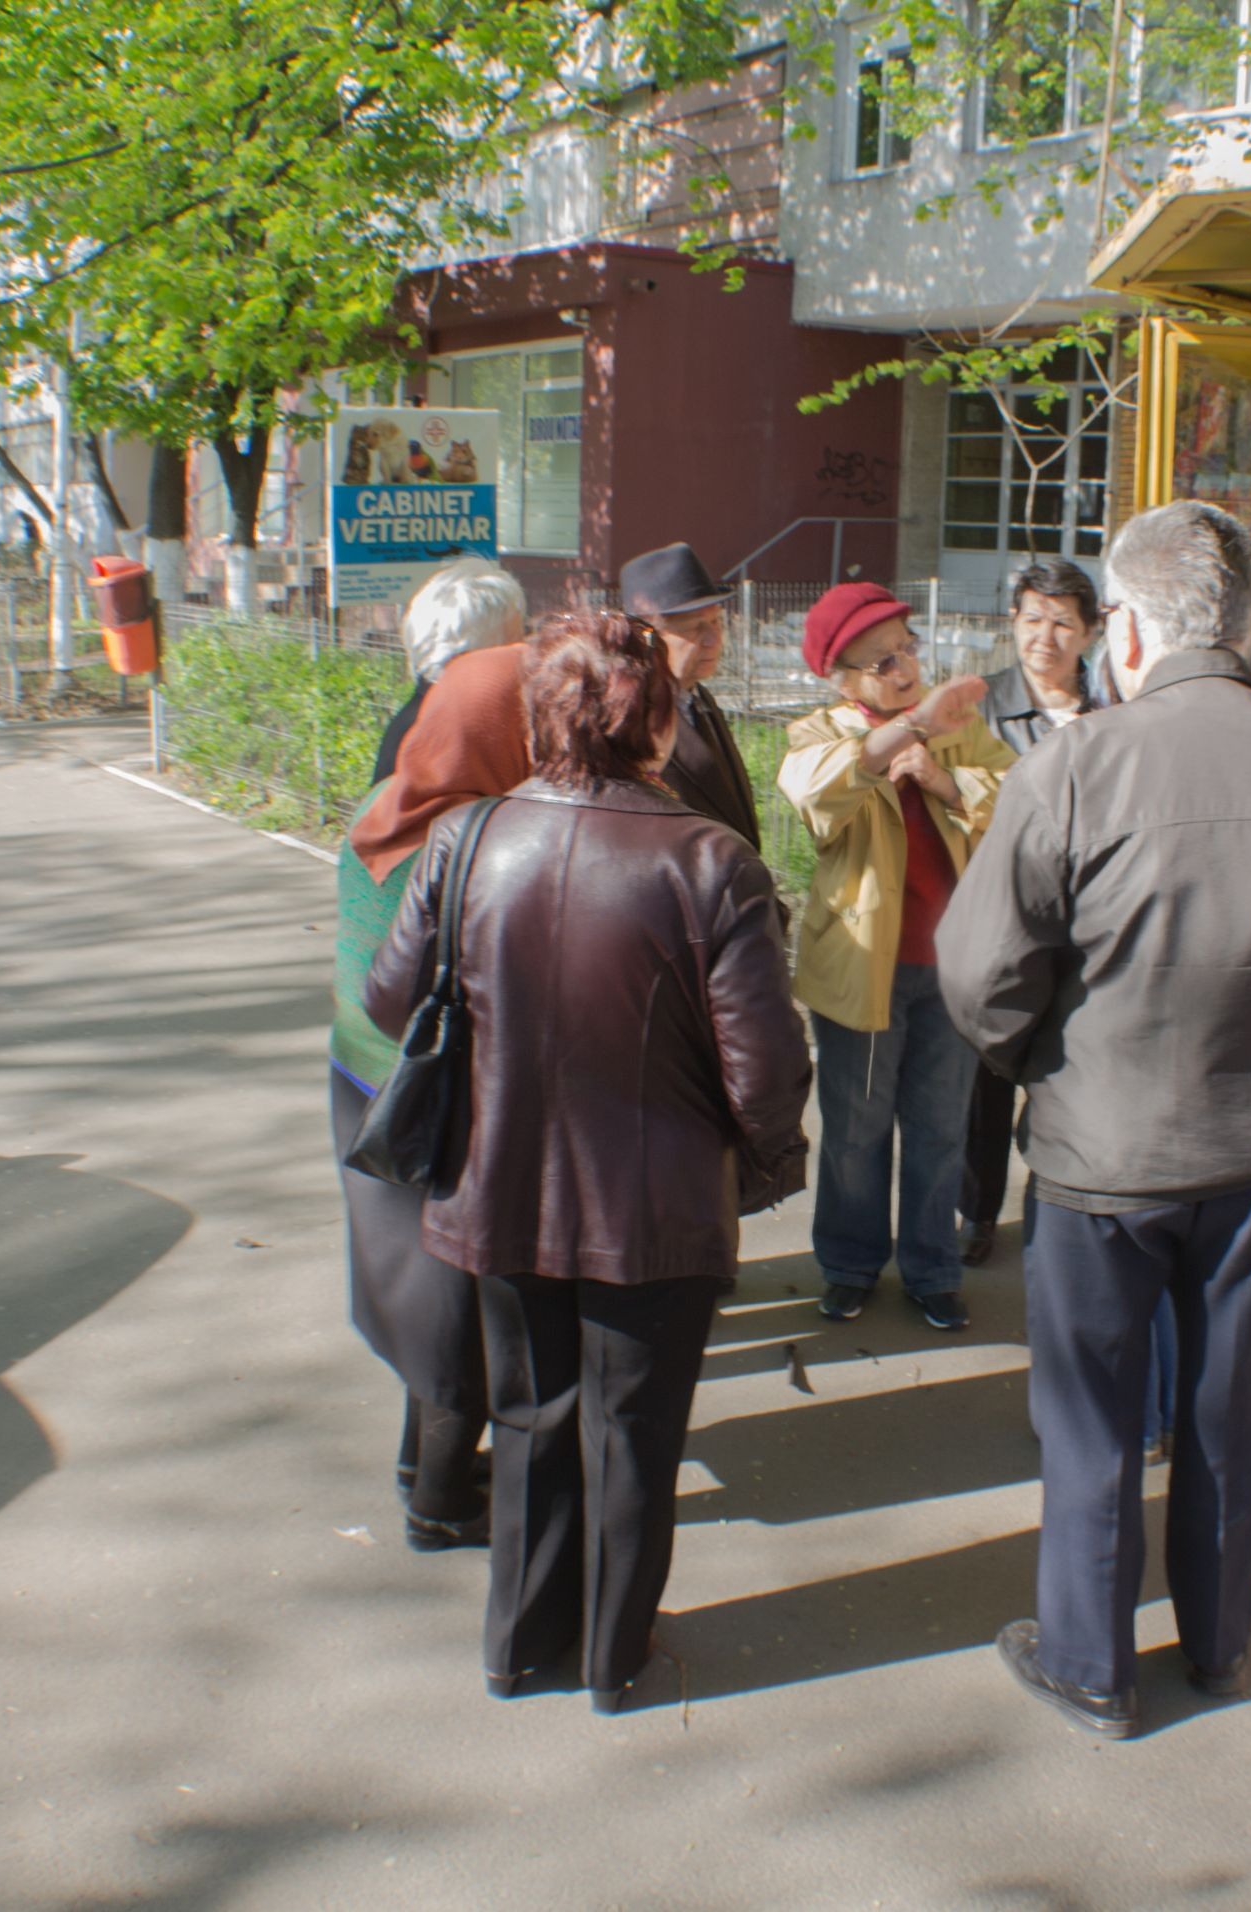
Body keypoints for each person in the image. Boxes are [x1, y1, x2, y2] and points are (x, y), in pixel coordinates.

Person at [937, 502, 1251, 1738]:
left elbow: (981, 975)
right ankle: (1218, 1642)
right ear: (1246, 626)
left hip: (1102, 1152)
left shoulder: (1075, 762)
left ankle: (1091, 1663)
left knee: (1091, 1416)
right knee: (1230, 1406)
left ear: (1131, 629)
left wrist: (1048, 1062)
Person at [364, 611, 811, 1705]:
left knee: (528, 1419)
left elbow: (388, 998)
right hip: (655, 1205)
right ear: (655, 721)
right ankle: (615, 1659)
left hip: (500, 1188)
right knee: (635, 1434)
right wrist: (763, 1167)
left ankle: (516, 1645)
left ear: (544, 720)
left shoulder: (466, 842)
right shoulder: (713, 862)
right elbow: (766, 1072)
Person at [331, 635, 533, 1552]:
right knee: (461, 1306)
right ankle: (440, 1505)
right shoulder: (479, 838)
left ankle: (422, 1466)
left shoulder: (385, 803)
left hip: (366, 1083)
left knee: (415, 1293)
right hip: (444, 1100)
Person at [778, 582, 1015, 1332]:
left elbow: (1016, 799)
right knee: (856, 1127)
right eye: (883, 660)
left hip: (951, 968)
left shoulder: (959, 727)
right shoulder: (815, 734)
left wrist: (943, 778)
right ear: (840, 677)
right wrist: (907, 730)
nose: (906, 666)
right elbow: (819, 793)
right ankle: (849, 1265)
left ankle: (931, 1268)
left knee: (941, 1127)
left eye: (908, 647)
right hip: (862, 968)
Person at [959, 558, 1102, 1268]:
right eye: (1032, 619)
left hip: (1089, 931)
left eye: (1062, 623)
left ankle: (1057, 1210)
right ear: (1013, 622)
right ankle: (975, 1213)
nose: (1044, 637)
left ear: (1090, 632)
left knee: (1070, 1079)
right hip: (1004, 921)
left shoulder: (1113, 713)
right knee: (984, 1084)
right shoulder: (981, 707)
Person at [619, 542, 763, 848]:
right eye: (696, 627)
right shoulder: (632, 716)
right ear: (649, 637)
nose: (714, 640)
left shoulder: (698, 697)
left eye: (716, 622)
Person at [372, 559, 527, 784]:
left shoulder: (414, 722)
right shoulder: (455, 736)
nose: (524, 652)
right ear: (474, 655)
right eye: (516, 641)